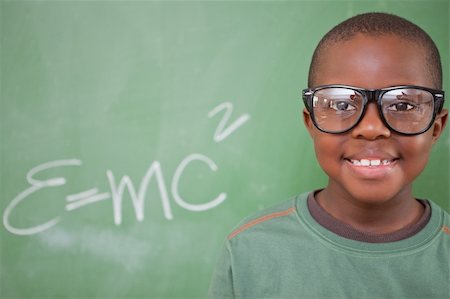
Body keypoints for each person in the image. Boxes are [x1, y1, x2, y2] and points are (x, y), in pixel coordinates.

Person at [208, 12, 449, 299]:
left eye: (403, 106)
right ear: (311, 123)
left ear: (436, 127)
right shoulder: (250, 250)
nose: (371, 128)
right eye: (341, 103)